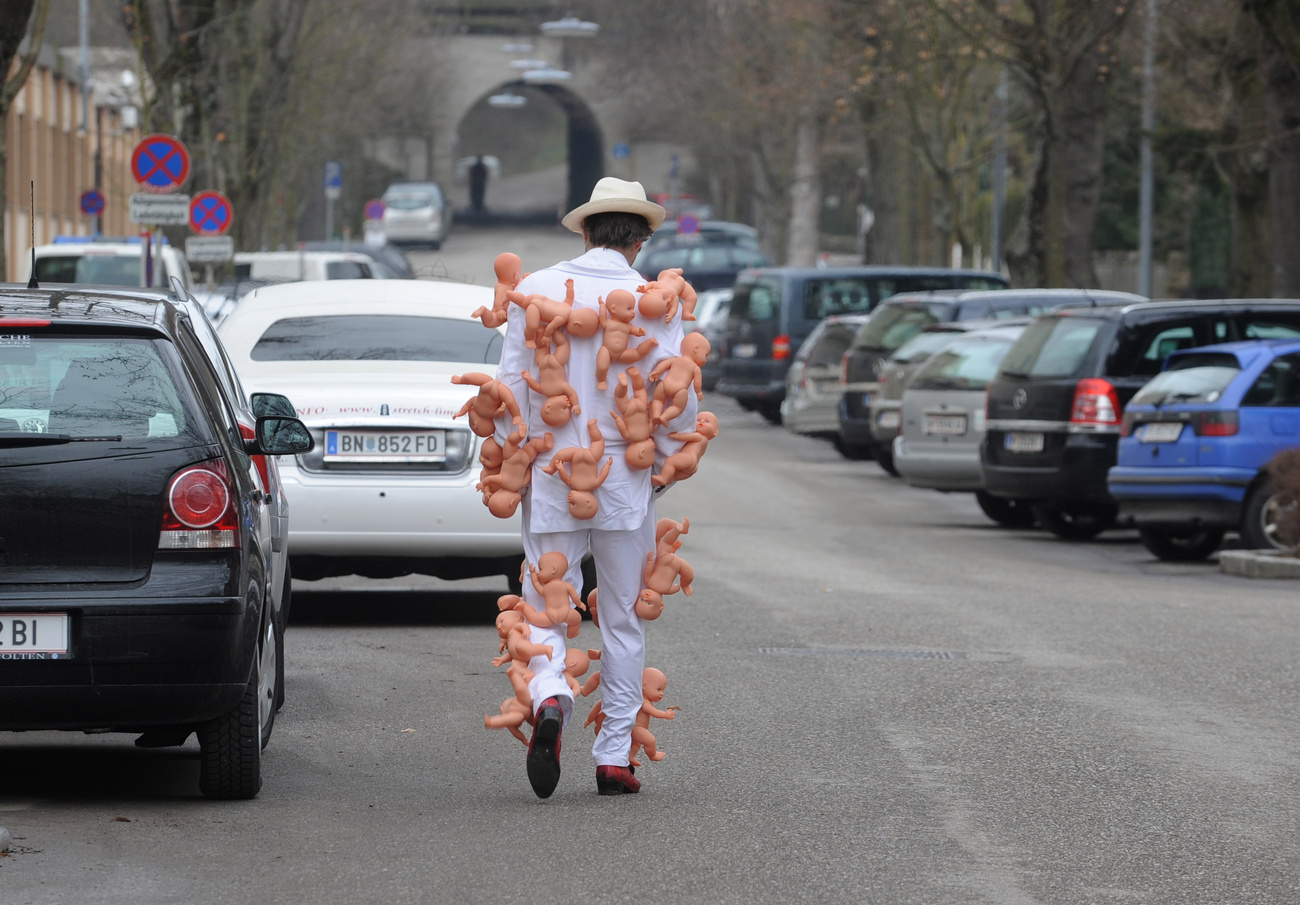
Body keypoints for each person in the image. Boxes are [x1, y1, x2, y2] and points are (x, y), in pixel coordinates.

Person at [491, 177, 697, 798]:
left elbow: (508, 388)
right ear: (639, 241)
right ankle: (613, 759)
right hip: (625, 472)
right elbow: (675, 393)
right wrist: (670, 457)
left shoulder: (533, 290)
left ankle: (551, 695)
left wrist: (514, 463)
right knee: (624, 616)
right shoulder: (653, 297)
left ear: (584, 231)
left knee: (544, 598)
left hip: (551, 467)